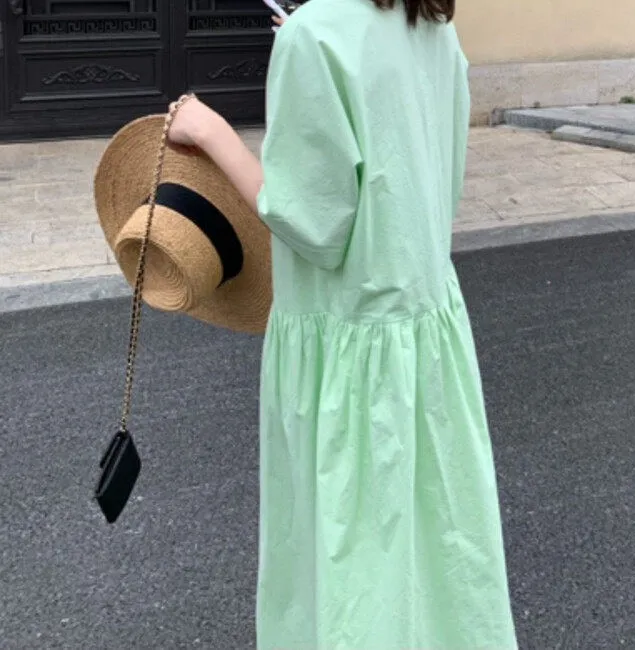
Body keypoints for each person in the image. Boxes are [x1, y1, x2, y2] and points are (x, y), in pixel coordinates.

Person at [165, 0, 519, 647]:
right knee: (437, 544)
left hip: (347, 339)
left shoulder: (312, 38)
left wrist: (211, 131)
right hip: (425, 324)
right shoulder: (433, 26)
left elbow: (312, 221)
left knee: (348, 556)